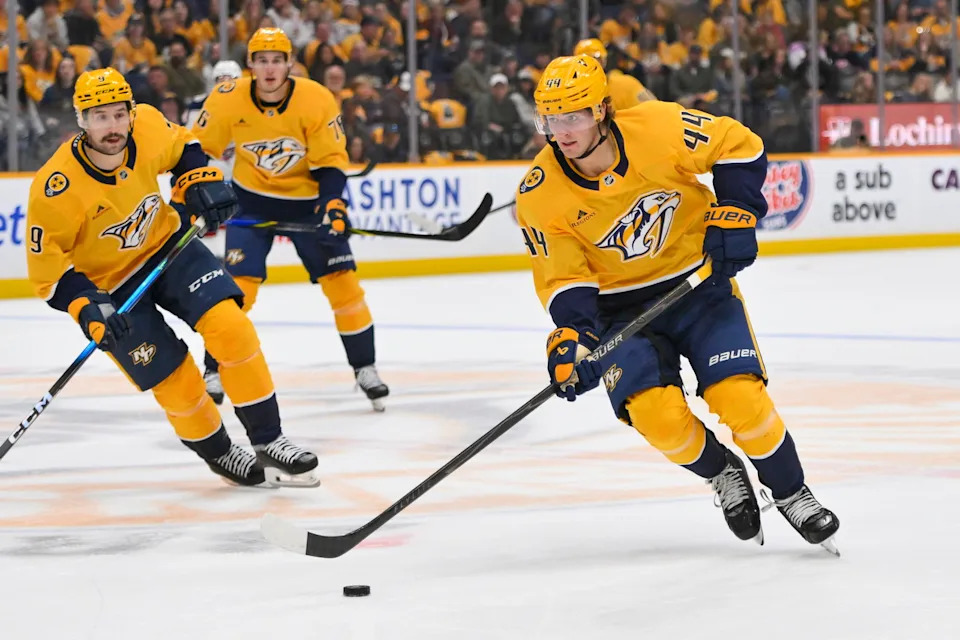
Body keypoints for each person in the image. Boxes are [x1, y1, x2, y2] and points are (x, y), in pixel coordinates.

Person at [515, 55, 839, 552]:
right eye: (550, 120)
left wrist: (735, 211)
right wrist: (573, 338)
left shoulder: (660, 125)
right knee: (659, 418)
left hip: (698, 288)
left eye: (573, 116)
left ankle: (792, 490)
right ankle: (722, 471)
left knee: (741, 400)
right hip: (618, 314)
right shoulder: (538, 194)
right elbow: (563, 277)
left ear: (603, 110)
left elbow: (741, 146)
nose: (562, 132)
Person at [25, 68, 319, 487]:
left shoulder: (145, 124)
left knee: (231, 328)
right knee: (175, 380)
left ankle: (270, 439)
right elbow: (49, 276)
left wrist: (198, 179)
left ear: (130, 112)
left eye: (118, 114)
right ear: (82, 120)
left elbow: (185, 147)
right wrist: (88, 309)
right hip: (111, 288)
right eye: (100, 117)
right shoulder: (55, 190)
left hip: (169, 246)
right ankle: (220, 454)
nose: (112, 126)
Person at [190, 28, 389, 411]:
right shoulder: (228, 97)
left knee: (344, 288)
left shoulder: (315, 98)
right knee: (235, 294)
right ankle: (213, 370)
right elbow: (198, 150)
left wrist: (333, 206)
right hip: (251, 204)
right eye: (261, 60)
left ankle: (365, 368)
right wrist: (192, 193)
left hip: (307, 204)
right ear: (250, 65)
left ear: (289, 64)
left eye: (276, 60)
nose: (268, 68)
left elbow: (331, 162)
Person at [573, 38, 656, 110]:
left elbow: (655, 111)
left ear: (604, 61)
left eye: (596, 59)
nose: (590, 65)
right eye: (583, 62)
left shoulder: (626, 84)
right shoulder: (573, 95)